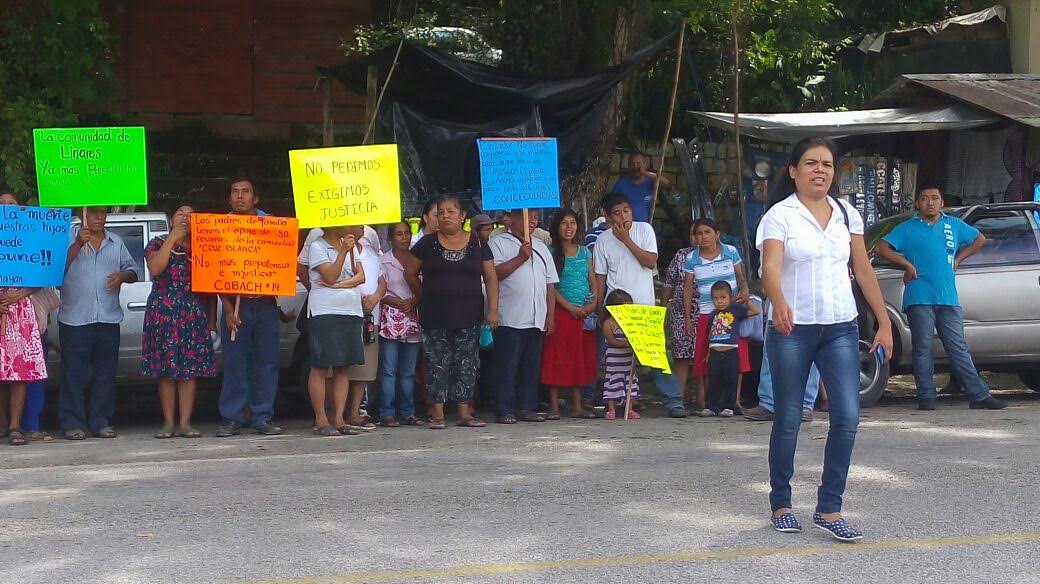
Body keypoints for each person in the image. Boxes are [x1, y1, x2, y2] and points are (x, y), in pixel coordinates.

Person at [757, 137, 893, 541]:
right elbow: (770, 268)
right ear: (793, 171)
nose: (820, 171)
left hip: (840, 327)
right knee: (789, 418)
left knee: (847, 417)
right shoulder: (779, 216)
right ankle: (781, 501)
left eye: (827, 165)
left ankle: (829, 508)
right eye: (811, 163)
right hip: (791, 329)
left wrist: (883, 322)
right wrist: (777, 299)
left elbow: (864, 271)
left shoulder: (847, 214)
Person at [875, 186, 1007, 411]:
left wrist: (958, 259)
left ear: (941, 203)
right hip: (919, 296)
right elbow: (881, 247)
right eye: (924, 199)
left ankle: (979, 394)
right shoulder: (907, 228)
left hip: (948, 297)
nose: (930, 202)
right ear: (917, 204)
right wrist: (906, 264)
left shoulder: (953, 224)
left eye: (934, 198)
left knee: (958, 347)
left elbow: (979, 239)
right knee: (923, 347)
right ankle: (926, 396)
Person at [407, 195, 499, 429]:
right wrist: (422, 295)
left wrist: (494, 310)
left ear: (462, 216)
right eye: (441, 212)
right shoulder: (427, 244)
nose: (445, 216)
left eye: (450, 211)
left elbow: (490, 277)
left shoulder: (478, 243)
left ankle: (464, 413)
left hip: (469, 315)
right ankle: (437, 414)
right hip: (435, 315)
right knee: (436, 363)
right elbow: (410, 273)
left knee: (467, 363)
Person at [594, 192, 687, 418]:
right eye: (616, 213)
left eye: (626, 210)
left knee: (655, 356)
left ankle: (673, 401)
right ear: (607, 217)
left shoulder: (644, 230)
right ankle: (599, 400)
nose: (623, 216)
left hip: (643, 306)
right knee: (610, 356)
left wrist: (626, 239)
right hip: (615, 308)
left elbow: (650, 261)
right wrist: (599, 310)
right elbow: (600, 278)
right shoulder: (602, 240)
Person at [59, 206, 139, 440]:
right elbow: (53, 271)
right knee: (73, 375)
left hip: (107, 318)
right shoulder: (67, 238)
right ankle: (72, 422)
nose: (98, 217)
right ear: (83, 214)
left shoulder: (115, 242)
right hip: (75, 320)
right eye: (93, 212)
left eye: (103, 212)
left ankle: (99, 421)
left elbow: (133, 270)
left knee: (105, 374)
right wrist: (76, 246)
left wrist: (122, 276)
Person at [142, 205, 216, 439]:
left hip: (192, 314)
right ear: (171, 219)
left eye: (191, 214)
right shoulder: (157, 243)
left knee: (188, 371)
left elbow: (210, 287)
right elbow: (155, 268)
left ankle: (185, 422)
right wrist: (172, 239)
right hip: (163, 314)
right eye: (180, 214)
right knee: (166, 371)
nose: (185, 218)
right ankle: (168, 422)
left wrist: (212, 321)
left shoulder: (203, 247)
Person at [216, 177, 283, 437]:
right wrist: (229, 308)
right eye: (235, 192)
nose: (240, 196)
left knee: (266, 362)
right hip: (236, 305)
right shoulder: (219, 228)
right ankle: (231, 416)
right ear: (229, 198)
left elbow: (281, 265)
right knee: (235, 363)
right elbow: (214, 271)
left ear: (255, 198)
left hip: (265, 304)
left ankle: (262, 415)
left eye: (245, 192)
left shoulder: (272, 226)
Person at [490, 208, 559, 424]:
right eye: (528, 216)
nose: (533, 221)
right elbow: (494, 275)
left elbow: (550, 284)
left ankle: (527, 406)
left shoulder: (541, 247)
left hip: (536, 316)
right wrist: (521, 257)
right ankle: (504, 408)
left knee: (531, 365)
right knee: (507, 365)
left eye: (536, 217)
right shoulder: (499, 243)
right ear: (512, 219)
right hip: (510, 315)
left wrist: (550, 315)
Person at [682, 218, 751, 409]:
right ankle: (705, 401)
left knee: (737, 357)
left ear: (717, 234)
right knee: (704, 357)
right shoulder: (692, 259)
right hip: (706, 313)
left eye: (707, 232)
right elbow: (688, 288)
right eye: (699, 233)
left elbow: (741, 277)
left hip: (733, 313)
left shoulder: (730, 252)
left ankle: (734, 401)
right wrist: (689, 317)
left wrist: (744, 289)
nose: (703, 237)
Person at [306, 226, 366, 436]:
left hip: (350, 310)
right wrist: (342, 252)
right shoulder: (317, 246)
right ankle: (321, 419)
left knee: (343, 366)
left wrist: (339, 286)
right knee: (321, 366)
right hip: (325, 311)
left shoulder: (351, 246)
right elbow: (329, 276)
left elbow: (361, 277)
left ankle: (339, 418)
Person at [0, 191, 48, 446]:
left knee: (19, 370)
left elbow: (43, 272)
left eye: (11, 203)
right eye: (1, 204)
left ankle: (15, 425)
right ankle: (2, 422)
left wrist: (18, 293)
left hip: (20, 311)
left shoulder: (31, 236)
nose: (6, 207)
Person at [541, 208, 598, 419]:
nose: (569, 227)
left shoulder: (585, 252)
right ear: (557, 227)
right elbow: (550, 287)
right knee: (556, 358)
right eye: (564, 223)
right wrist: (569, 307)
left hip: (584, 314)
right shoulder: (550, 251)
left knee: (579, 358)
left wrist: (591, 306)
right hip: (560, 313)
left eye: (572, 222)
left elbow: (592, 282)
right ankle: (554, 406)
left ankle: (577, 406)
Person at [377, 221, 423, 427]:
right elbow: (380, 289)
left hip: (412, 317)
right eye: (399, 234)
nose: (404, 237)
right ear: (391, 238)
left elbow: (424, 285)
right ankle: (387, 411)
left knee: (408, 370)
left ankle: (408, 411)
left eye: (407, 233)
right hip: (390, 318)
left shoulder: (418, 259)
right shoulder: (383, 261)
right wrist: (396, 301)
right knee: (388, 369)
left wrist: (414, 301)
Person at [344, 225, 386, 430]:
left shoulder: (370, 253)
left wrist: (376, 297)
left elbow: (381, 281)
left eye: (362, 224)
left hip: (369, 319)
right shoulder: (336, 249)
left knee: (364, 369)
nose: (360, 226)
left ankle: (355, 413)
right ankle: (337, 414)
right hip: (344, 315)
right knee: (340, 368)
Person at [698, 281, 759, 417]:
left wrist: (746, 299)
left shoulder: (735, 310)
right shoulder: (712, 315)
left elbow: (756, 311)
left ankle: (729, 406)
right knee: (713, 380)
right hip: (714, 351)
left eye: (723, 297)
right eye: (716, 298)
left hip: (731, 351)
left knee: (730, 379)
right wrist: (708, 352)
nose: (719, 301)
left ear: (730, 297)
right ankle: (711, 406)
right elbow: (710, 334)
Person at [661, 223, 699, 402]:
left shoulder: (720, 256)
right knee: (681, 354)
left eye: (702, 233)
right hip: (680, 312)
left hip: (707, 310)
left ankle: (703, 398)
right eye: (694, 233)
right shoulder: (681, 255)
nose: (697, 237)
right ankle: (679, 397)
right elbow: (669, 282)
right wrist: (663, 309)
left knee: (703, 353)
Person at [601, 289, 638, 420]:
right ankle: (611, 409)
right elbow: (611, 340)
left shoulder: (631, 322)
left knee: (630, 382)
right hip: (614, 359)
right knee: (614, 382)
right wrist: (628, 344)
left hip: (627, 360)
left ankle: (629, 408)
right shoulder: (608, 323)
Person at [611, 152, 671, 223]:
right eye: (632, 164)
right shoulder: (621, 185)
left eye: (638, 163)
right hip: (625, 225)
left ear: (645, 165)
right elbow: (612, 206)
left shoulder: (651, 182)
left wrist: (645, 172)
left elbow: (666, 183)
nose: (635, 167)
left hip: (644, 226)